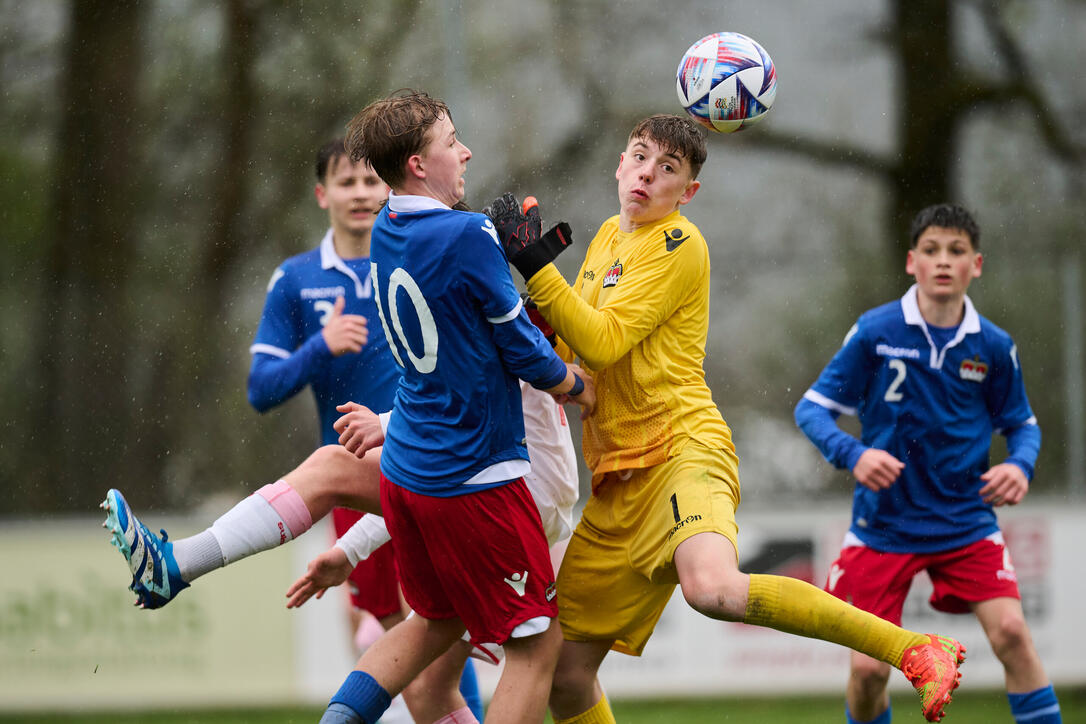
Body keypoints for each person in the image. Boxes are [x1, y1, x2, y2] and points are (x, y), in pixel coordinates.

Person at [485, 114, 965, 724]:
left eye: (668, 169)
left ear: (688, 193)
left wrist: (539, 271)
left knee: (711, 588)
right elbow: (577, 361)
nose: (647, 175)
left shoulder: (681, 244)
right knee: (567, 676)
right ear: (619, 164)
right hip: (617, 482)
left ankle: (916, 649)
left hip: (682, 451)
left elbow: (602, 342)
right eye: (639, 157)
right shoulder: (608, 235)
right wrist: (525, 320)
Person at [794, 203, 1061, 724]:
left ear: (975, 264)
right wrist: (855, 453)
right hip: (883, 527)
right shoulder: (877, 331)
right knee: (870, 673)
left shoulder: (994, 346)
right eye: (932, 251)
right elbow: (812, 409)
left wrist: (1020, 466)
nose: (944, 261)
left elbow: (1022, 424)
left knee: (1012, 635)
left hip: (965, 520)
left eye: (956, 251)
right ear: (912, 262)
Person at [246, 137, 426, 721]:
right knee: (387, 630)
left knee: (432, 627)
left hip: (429, 464)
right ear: (323, 194)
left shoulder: (415, 260)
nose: (361, 194)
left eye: (372, 181)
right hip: (354, 484)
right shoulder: (297, 279)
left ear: (390, 188)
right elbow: (261, 389)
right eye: (346, 182)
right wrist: (318, 348)